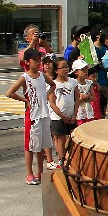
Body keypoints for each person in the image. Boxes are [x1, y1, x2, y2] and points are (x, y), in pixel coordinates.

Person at [6, 48, 52, 185]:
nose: (39, 63)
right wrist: (25, 100)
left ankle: (40, 172)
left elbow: (53, 85)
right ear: (27, 62)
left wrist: (45, 98)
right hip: (32, 116)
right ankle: (29, 174)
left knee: (42, 145)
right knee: (30, 146)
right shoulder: (25, 77)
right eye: (36, 60)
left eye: (40, 60)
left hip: (44, 114)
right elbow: (10, 92)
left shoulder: (42, 75)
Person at [49, 56, 81, 169]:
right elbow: (52, 103)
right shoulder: (53, 84)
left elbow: (77, 99)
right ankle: (62, 160)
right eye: (62, 67)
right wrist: (62, 116)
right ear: (56, 70)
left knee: (73, 138)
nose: (65, 69)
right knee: (60, 139)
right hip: (57, 117)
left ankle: (72, 158)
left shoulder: (73, 82)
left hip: (71, 116)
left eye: (67, 67)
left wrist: (74, 114)